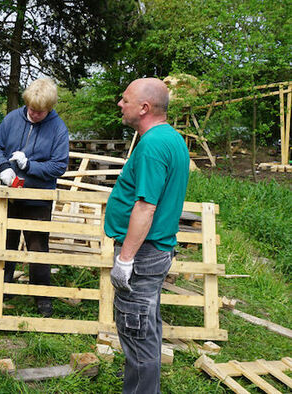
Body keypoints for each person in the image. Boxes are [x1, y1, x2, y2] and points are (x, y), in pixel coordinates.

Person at [104, 78, 189, 393]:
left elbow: (145, 207)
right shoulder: (170, 138)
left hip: (143, 254)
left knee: (136, 331)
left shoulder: (153, 145)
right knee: (145, 329)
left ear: (144, 107)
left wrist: (125, 259)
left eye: (125, 99)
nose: (120, 104)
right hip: (156, 250)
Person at [0, 78, 69, 317]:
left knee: (37, 247)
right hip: (10, 194)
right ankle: (2, 289)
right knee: (6, 242)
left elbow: (58, 166)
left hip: (37, 198)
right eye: (32, 109)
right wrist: (3, 166)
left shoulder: (58, 128)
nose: (34, 114)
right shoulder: (12, 119)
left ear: (50, 108)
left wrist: (30, 165)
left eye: (40, 112)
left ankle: (42, 297)